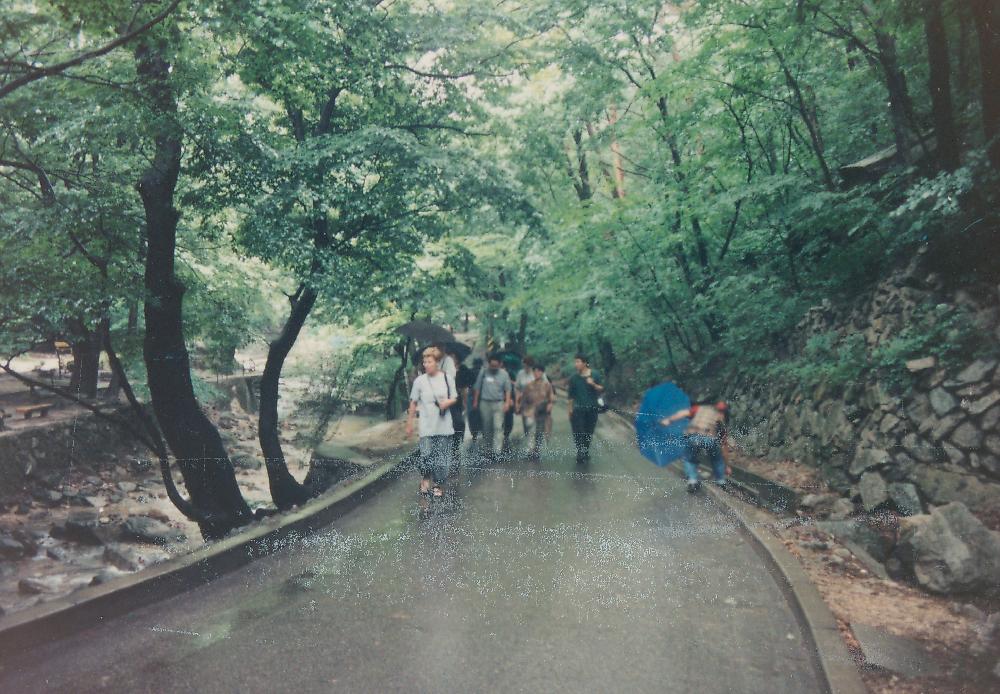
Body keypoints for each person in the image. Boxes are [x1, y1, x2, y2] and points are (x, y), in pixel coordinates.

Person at [406, 347, 457, 498]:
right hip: (426, 425)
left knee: (442, 458)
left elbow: (454, 397)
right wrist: (409, 423)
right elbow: (413, 402)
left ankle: (438, 484)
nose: (426, 364)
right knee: (426, 455)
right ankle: (426, 478)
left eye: (429, 361)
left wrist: (447, 403)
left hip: (444, 425)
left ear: (437, 363)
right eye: (424, 362)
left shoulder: (447, 379)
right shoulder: (419, 381)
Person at [661, 401, 729, 493]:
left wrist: (668, 420)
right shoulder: (722, 419)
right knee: (717, 459)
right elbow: (724, 445)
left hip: (692, 437)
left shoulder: (700, 409)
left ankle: (692, 481)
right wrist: (726, 465)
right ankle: (721, 482)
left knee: (689, 459)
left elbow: (683, 413)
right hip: (709, 439)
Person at [472, 353, 512, 461]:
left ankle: (497, 452)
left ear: (500, 364)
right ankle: (488, 450)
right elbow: (477, 387)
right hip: (485, 403)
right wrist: (475, 401)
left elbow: (508, 389)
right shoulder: (484, 372)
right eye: (492, 366)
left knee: (498, 427)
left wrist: (507, 402)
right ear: (489, 364)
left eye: (496, 366)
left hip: (499, 403)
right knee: (487, 427)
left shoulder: (504, 374)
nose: (493, 368)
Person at [567, 353, 604, 464]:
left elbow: (601, 389)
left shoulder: (595, 375)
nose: (576, 364)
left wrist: (593, 384)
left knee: (589, 431)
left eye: (578, 362)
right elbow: (570, 396)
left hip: (592, 408)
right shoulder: (573, 378)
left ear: (584, 363)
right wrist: (569, 410)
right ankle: (580, 451)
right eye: (575, 362)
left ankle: (585, 450)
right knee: (578, 431)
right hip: (578, 409)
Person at [517, 363, 554, 460]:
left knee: (539, 431)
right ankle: (530, 450)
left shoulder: (547, 385)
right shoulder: (529, 386)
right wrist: (521, 409)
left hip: (542, 412)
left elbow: (551, 398)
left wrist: (550, 405)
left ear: (542, 373)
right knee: (530, 431)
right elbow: (524, 399)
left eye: (539, 371)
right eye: (535, 371)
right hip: (530, 411)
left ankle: (536, 450)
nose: (537, 373)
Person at [451, 347, 476, 460]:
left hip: (457, 401)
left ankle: (457, 443)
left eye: (453, 357)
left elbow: (465, 387)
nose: (451, 359)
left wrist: (465, 401)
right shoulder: (442, 369)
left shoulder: (463, 369)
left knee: (458, 422)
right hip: (445, 400)